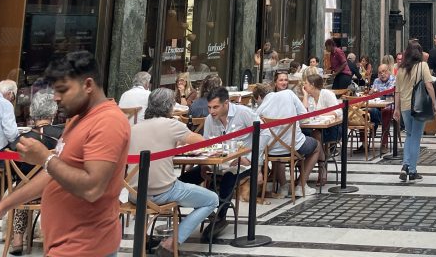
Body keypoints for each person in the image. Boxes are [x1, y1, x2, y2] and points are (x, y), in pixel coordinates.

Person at [0, 51, 131, 257]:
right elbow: (52, 173)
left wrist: (44, 157)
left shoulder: (108, 121)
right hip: (65, 244)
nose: (56, 98)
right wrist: (4, 206)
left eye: (63, 90)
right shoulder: (77, 118)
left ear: (88, 85)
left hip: (86, 247)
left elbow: (92, 188)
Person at [128, 88, 219, 257]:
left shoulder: (134, 128)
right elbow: (201, 142)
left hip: (134, 194)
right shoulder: (172, 125)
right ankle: (170, 244)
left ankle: (145, 239)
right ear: (170, 107)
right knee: (212, 200)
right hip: (162, 192)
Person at [181, 86, 255, 240]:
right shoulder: (210, 119)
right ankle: (208, 211)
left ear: (226, 103)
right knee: (185, 180)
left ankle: (221, 217)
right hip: (217, 162)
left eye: (215, 107)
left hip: (242, 162)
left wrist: (254, 158)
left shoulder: (244, 113)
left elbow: (264, 132)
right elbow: (207, 145)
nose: (211, 111)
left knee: (228, 177)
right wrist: (203, 165)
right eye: (209, 107)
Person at [8, 90, 62, 255]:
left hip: (26, 192)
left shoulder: (21, 140)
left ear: (32, 112)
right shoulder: (62, 136)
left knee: (22, 184)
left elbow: (13, 168)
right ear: (53, 112)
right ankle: (54, 238)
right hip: (53, 189)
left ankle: (17, 240)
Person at [257, 73, 322, 193]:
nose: (284, 82)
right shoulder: (289, 94)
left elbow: (256, 119)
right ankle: (301, 186)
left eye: (286, 80)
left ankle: (283, 187)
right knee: (317, 145)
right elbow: (304, 116)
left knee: (278, 150)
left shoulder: (265, 101)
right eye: (281, 80)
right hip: (293, 146)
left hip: (271, 149)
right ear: (274, 83)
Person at [393, 41, 436, 182]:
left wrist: (396, 109)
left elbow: (397, 91)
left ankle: (405, 165)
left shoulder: (401, 69)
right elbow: (429, 86)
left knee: (409, 135)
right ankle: (412, 170)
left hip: (405, 107)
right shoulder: (422, 65)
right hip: (418, 106)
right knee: (416, 138)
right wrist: (434, 103)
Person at [300, 73, 342, 181]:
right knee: (312, 134)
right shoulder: (309, 97)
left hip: (332, 129)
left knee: (315, 135)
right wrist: (305, 95)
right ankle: (321, 165)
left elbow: (338, 112)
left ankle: (321, 167)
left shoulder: (327, 94)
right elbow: (303, 113)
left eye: (306, 83)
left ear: (312, 85)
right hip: (314, 128)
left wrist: (319, 114)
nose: (304, 85)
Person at [369, 63, 396, 151]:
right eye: (380, 72)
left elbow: (390, 91)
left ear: (388, 71)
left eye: (384, 71)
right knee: (367, 110)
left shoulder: (393, 79)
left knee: (385, 112)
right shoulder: (376, 81)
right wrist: (373, 92)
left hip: (390, 106)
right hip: (377, 105)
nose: (382, 74)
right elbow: (372, 93)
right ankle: (364, 144)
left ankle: (384, 143)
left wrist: (377, 91)